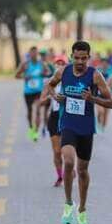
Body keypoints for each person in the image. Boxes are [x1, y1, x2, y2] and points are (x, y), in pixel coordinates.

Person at [46, 41, 112, 224]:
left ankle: (82, 209)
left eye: (84, 58)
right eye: (77, 57)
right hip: (68, 125)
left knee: (82, 170)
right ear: (71, 56)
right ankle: (68, 204)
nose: (80, 61)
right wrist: (54, 96)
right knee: (68, 161)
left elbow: (111, 103)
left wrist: (92, 99)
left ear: (88, 57)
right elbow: (49, 85)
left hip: (86, 129)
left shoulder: (95, 75)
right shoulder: (63, 72)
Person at [40, 55, 68, 187]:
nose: (60, 65)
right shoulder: (50, 82)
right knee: (57, 151)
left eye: (63, 63)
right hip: (55, 116)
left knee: (66, 149)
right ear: (54, 65)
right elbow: (41, 100)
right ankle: (60, 176)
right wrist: (52, 96)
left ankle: (70, 167)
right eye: (58, 63)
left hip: (68, 117)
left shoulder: (70, 80)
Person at [15, 46, 49, 141]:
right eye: (32, 53)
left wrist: (44, 74)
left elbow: (48, 73)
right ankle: (31, 127)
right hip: (28, 91)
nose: (34, 55)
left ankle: (35, 131)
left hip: (39, 91)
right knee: (30, 111)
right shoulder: (25, 64)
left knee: (38, 110)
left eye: (35, 53)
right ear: (29, 54)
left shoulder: (42, 64)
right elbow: (16, 75)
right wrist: (24, 77)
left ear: (37, 54)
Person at [95, 57, 112, 133]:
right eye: (103, 63)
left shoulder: (111, 71)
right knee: (100, 111)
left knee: (105, 114)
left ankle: (103, 126)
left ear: (108, 64)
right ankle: (99, 122)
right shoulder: (97, 70)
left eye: (106, 63)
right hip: (98, 94)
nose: (104, 64)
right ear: (101, 63)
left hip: (107, 95)